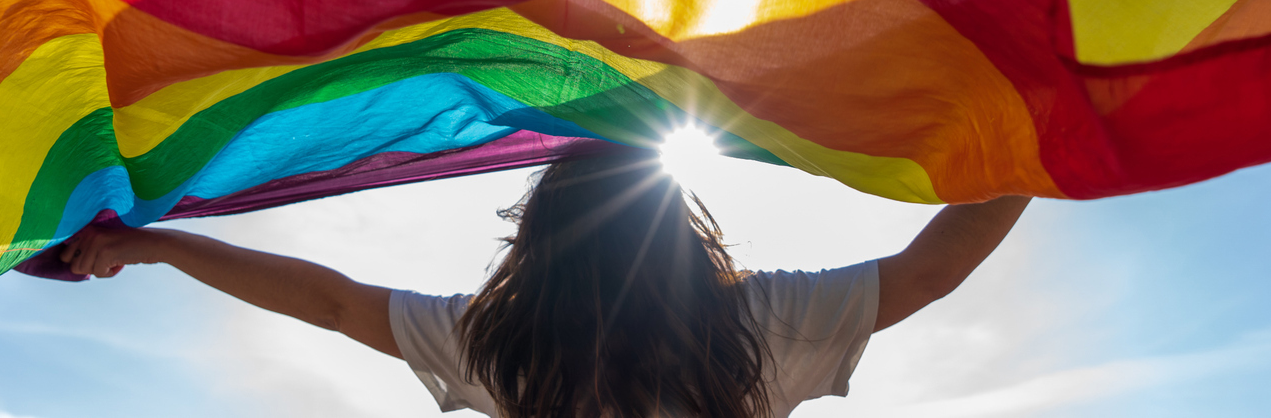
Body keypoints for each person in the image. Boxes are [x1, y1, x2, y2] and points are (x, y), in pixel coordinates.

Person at [59, 151, 1030, 418]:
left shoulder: (500, 342)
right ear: (680, 232)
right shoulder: (753, 323)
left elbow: (334, 300)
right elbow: (932, 268)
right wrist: (1041, 151)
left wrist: (160, 247)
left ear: (535, 240)